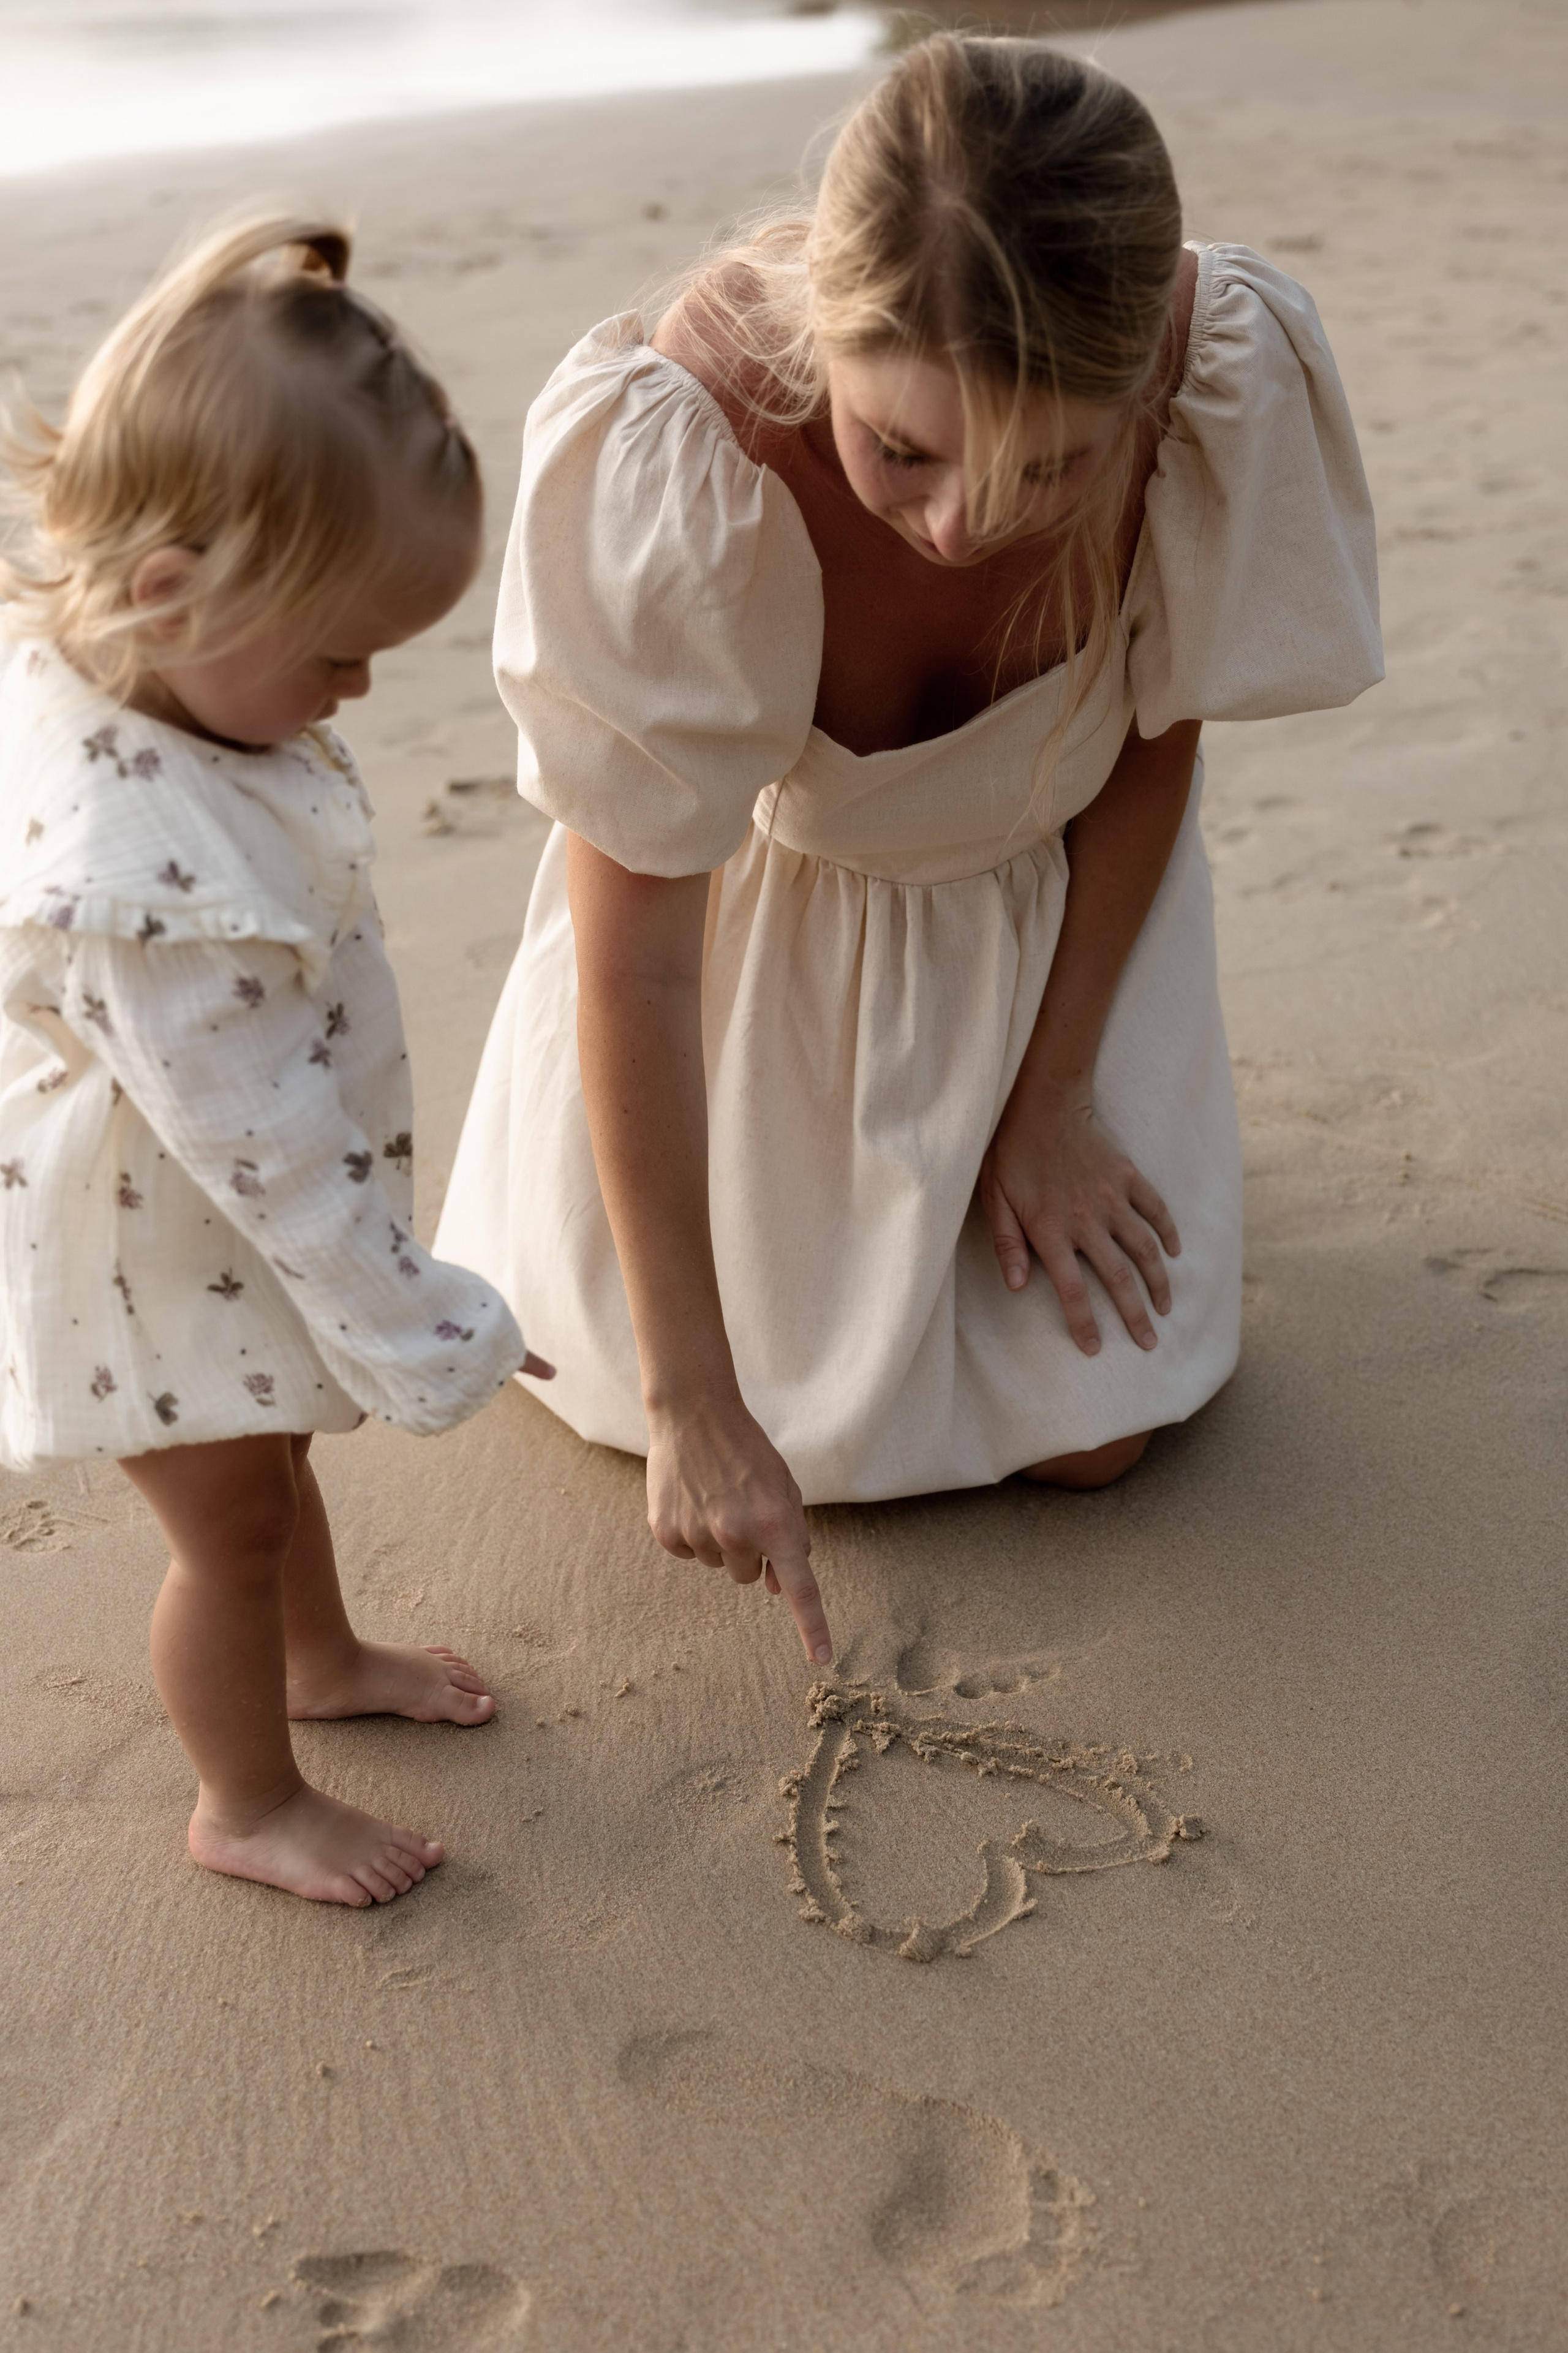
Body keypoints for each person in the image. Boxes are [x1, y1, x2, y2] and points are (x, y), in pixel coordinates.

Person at [437, 37, 1382, 1669]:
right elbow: (639, 944)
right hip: (744, 978)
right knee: (704, 1409)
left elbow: (1155, 738)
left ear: (1142, 375)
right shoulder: (698, 432)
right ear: (827, 346)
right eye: (905, 450)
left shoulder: (1204, 369)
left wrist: (1060, 1096)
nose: (963, 525)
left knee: (1098, 1439)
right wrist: (688, 1392)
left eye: (1054, 467)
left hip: (1055, 933)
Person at [0, 217, 552, 1907]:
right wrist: (428, 1317)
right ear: (171, 592)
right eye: (335, 653)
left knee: (276, 1451)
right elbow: (270, 1156)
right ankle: (245, 1795)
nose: (363, 687)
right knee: (222, 1527)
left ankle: (320, 1657)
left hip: (207, 1210)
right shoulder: (139, 876)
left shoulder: (124, 665)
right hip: (155, 1240)